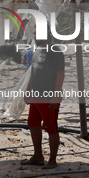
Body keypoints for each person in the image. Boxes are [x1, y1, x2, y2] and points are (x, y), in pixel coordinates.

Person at [21, 26, 65, 169]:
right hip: (35, 97)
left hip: (48, 97)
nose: (35, 36)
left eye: (37, 34)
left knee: (51, 128)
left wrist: (55, 96)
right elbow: (32, 73)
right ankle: (38, 156)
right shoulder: (36, 50)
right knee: (33, 124)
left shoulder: (55, 51)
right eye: (34, 34)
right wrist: (27, 90)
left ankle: (52, 161)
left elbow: (60, 74)